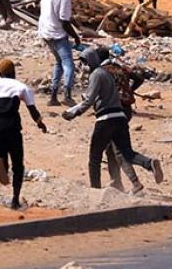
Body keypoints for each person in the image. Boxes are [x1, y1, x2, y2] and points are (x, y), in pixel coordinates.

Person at [62, 47, 163, 189]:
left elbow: (88, 100)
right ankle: (148, 164)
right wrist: (130, 91)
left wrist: (73, 113)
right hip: (121, 116)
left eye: (85, 62)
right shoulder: (112, 72)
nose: (83, 66)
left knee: (95, 158)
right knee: (125, 152)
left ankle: (96, 190)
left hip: (106, 119)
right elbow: (135, 79)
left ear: (92, 60)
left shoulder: (97, 74)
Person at [0, 59, 48, 210]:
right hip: (10, 127)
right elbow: (31, 109)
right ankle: (15, 200)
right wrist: (40, 123)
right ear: (14, 73)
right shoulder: (20, 87)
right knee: (18, 165)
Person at [100, 46, 148, 194]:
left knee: (118, 150)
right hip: (126, 109)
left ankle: (136, 182)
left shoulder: (102, 72)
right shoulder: (120, 68)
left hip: (113, 111)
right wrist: (130, 90)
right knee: (110, 149)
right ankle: (116, 182)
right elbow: (140, 76)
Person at [37, 0, 81, 107]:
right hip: (57, 34)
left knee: (58, 62)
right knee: (69, 64)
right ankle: (67, 95)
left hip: (44, 31)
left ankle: (53, 96)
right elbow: (64, 21)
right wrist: (75, 36)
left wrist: (46, 9)